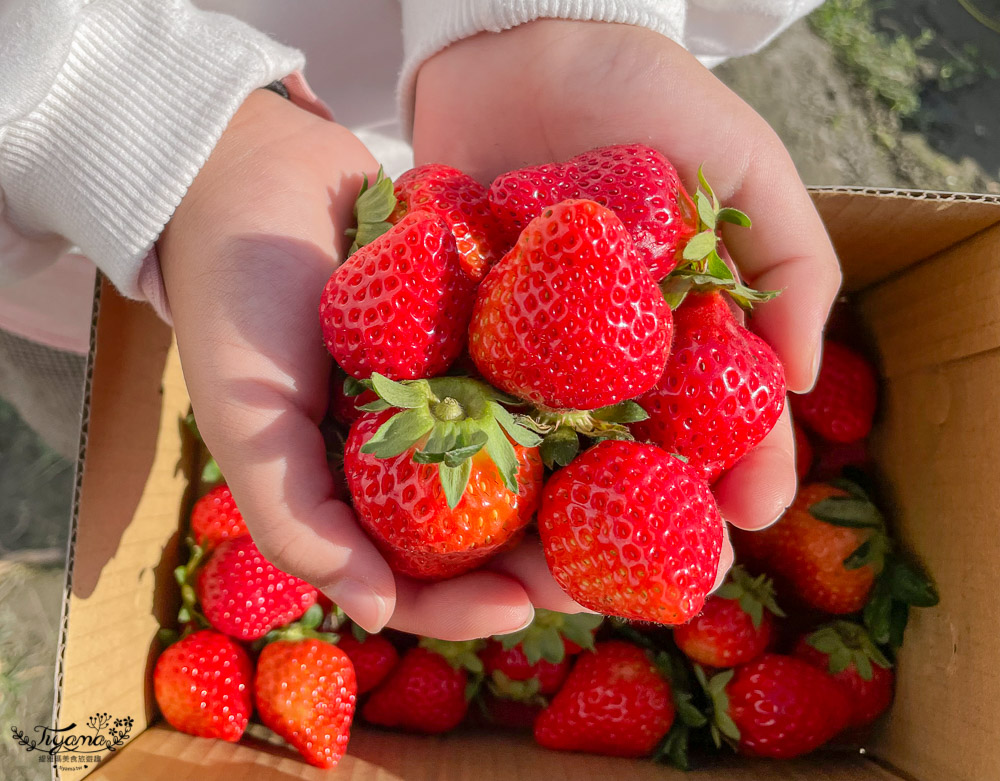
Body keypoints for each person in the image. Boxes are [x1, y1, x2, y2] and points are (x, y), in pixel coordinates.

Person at [0, 0, 841, 640]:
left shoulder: (468, 261)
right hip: (74, 238)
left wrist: (541, 18)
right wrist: (118, 114)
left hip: (352, 175)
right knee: (81, 404)